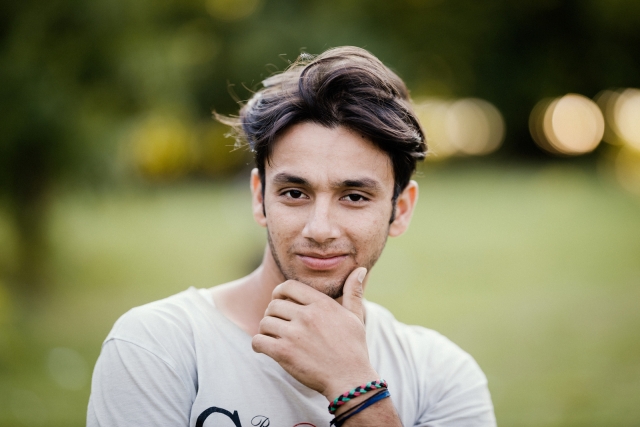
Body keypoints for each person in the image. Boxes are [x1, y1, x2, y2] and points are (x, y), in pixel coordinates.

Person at [87, 46, 496, 427]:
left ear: (400, 210)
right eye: (295, 193)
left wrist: (355, 388)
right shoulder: (155, 346)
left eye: (354, 197)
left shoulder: (442, 375)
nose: (320, 229)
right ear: (259, 197)